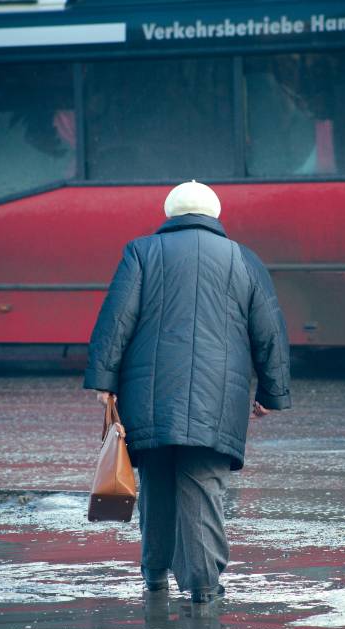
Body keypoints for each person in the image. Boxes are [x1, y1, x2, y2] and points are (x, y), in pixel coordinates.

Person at [83, 180, 291, 604]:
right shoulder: (244, 260)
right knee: (201, 487)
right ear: (215, 214)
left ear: (170, 213)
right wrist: (271, 394)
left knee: (156, 484)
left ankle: (155, 578)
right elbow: (269, 333)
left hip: (148, 395)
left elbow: (116, 319)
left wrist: (104, 384)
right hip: (219, 399)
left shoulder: (141, 252)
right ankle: (203, 589)